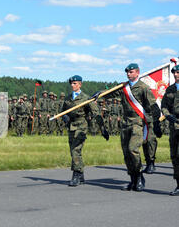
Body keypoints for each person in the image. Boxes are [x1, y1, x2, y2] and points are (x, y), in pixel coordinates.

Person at [103, 64, 162, 192]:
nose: (129, 74)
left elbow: (153, 106)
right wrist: (99, 94)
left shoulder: (143, 88)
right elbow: (110, 94)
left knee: (132, 149)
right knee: (126, 153)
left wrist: (156, 123)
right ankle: (133, 179)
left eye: (131, 72)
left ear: (137, 72)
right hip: (125, 123)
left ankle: (140, 176)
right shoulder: (124, 87)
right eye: (127, 72)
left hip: (138, 123)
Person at [62, 75, 109, 187]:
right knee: (73, 151)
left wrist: (102, 129)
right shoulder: (68, 98)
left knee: (75, 150)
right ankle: (81, 174)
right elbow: (63, 111)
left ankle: (76, 175)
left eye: (75, 83)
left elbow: (96, 114)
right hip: (71, 126)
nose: (72, 85)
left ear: (80, 84)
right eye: (71, 83)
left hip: (81, 126)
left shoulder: (86, 98)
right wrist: (65, 117)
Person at [160, 64, 179, 196]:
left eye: (178, 73)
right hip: (174, 125)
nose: (176, 75)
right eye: (174, 73)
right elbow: (164, 105)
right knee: (174, 156)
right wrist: (167, 115)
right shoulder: (170, 89)